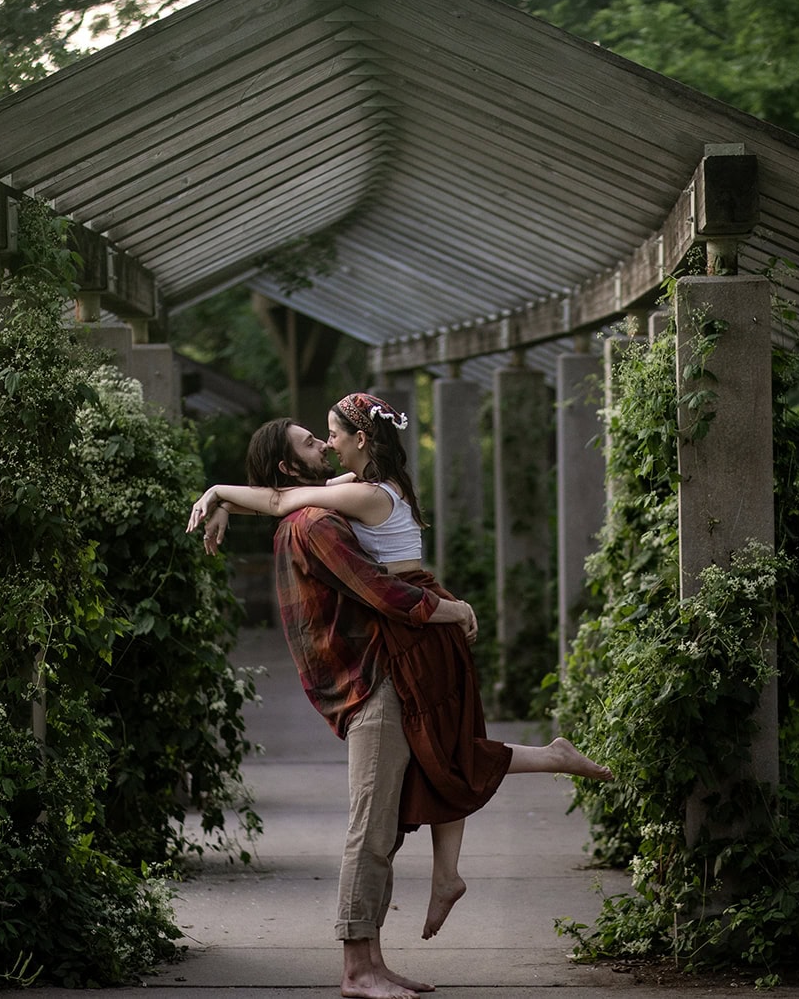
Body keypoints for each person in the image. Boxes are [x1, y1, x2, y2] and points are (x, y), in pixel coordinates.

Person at [190, 395, 611, 958]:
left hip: (418, 619)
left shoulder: (355, 493)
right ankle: (456, 865)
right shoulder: (368, 484)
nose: (326, 441)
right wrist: (222, 502)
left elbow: (281, 497)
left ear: (360, 439)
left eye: (331, 434)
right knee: (448, 751)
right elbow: (280, 495)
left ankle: (445, 876)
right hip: (424, 614)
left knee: (447, 753)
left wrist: (217, 493)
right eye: (315, 440)